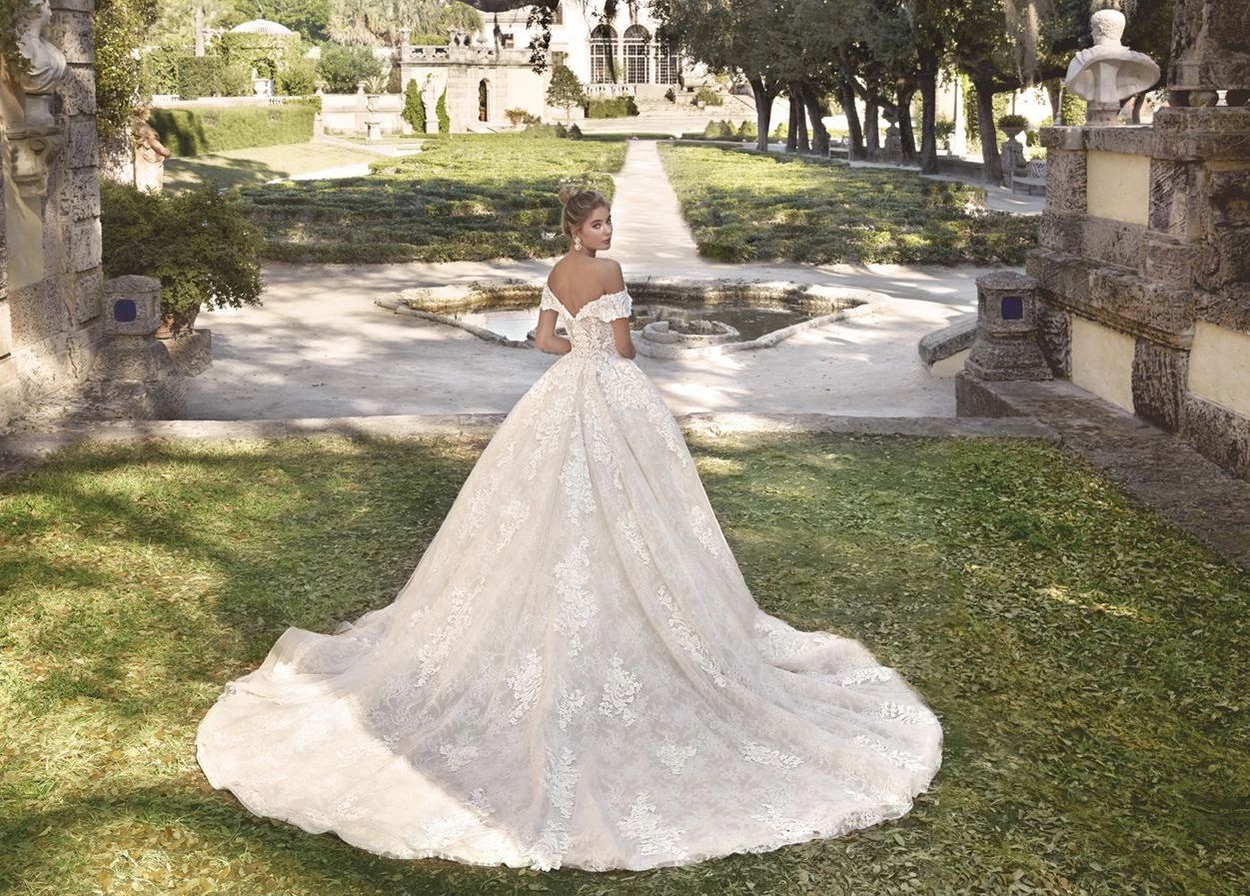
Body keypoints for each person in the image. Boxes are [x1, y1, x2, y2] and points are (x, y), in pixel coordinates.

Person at [194, 187, 943, 872]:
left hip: (561, 397)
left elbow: (544, 342)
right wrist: (620, 346)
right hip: (614, 394)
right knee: (640, 508)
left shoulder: (555, 270)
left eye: (608, 220)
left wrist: (577, 343)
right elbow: (621, 349)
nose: (606, 230)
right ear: (578, 228)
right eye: (597, 222)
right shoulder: (611, 272)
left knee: (539, 510)